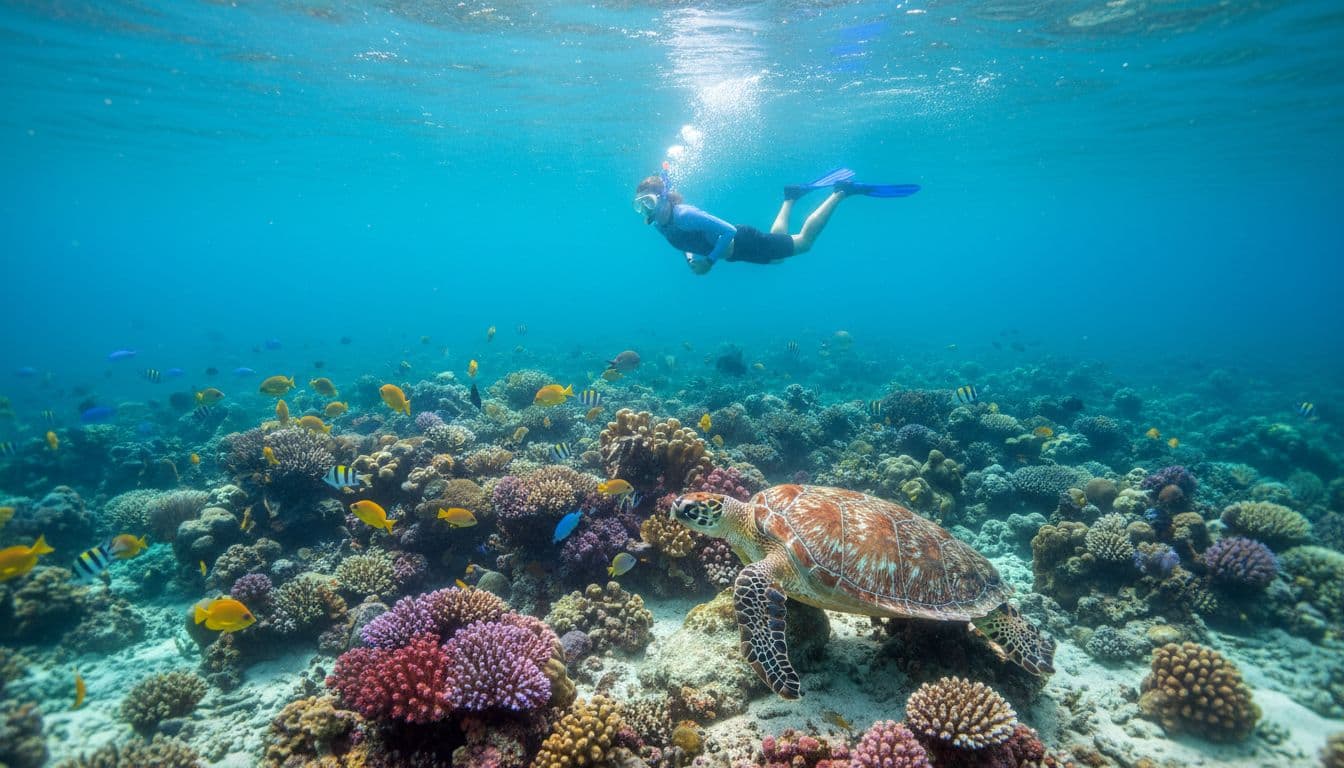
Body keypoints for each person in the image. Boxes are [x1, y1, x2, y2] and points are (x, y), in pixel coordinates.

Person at [633, 167, 918, 274]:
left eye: (649, 202)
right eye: (640, 205)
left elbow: (728, 232)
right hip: (739, 254)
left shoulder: (686, 214)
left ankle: (841, 192)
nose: (645, 210)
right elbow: (685, 243)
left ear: (664, 198)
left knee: (803, 244)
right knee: (780, 256)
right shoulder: (658, 222)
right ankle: (791, 197)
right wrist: (690, 258)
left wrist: (709, 262)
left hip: (743, 241)